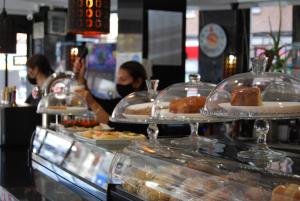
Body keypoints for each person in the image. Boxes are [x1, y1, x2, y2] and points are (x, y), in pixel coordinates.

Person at [73, 58, 147, 124]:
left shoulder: (144, 109)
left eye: (123, 80)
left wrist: (92, 103)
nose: (119, 83)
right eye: (118, 79)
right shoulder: (120, 103)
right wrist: (81, 77)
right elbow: (98, 102)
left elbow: (113, 125)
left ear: (138, 82)